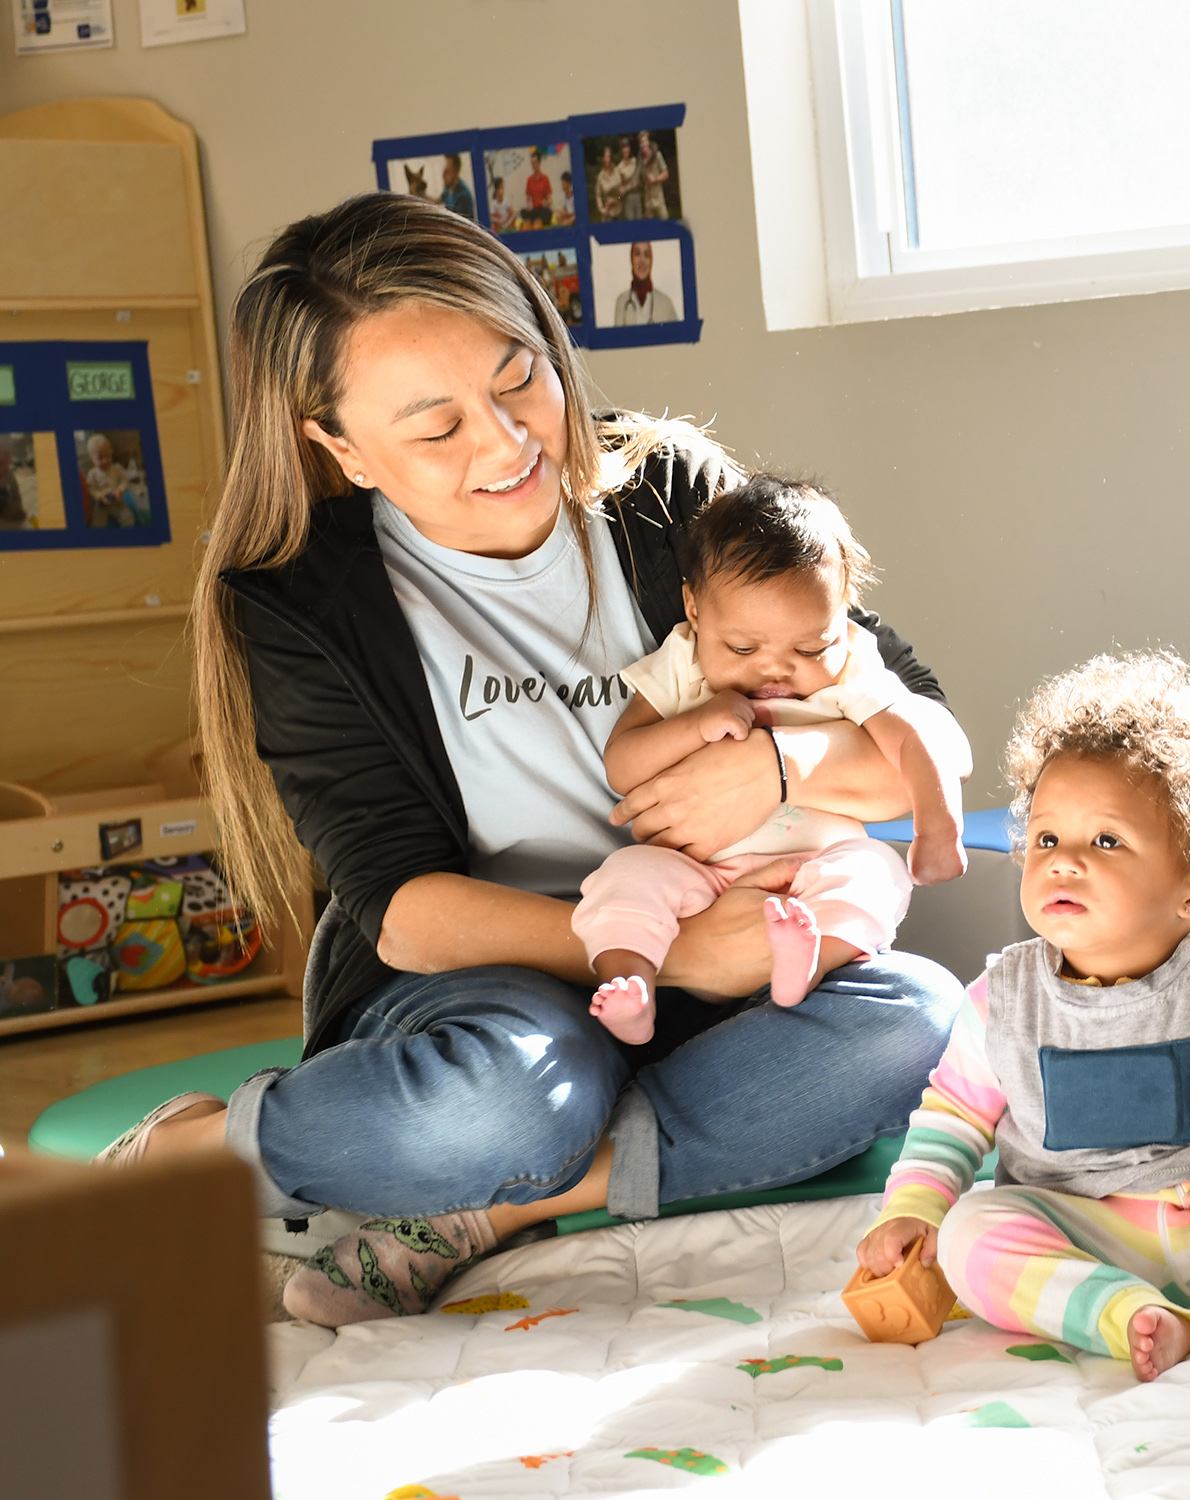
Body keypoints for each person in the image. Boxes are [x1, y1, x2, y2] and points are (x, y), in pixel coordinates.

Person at [93, 192, 968, 1328]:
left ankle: (485, 1214)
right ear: (343, 448)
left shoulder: (670, 498)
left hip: (731, 933)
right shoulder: (308, 607)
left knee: (922, 1019)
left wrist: (785, 775)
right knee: (511, 1101)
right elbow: (403, 913)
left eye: (519, 380)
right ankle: (198, 1152)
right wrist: (670, 952)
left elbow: (924, 731)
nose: (506, 442)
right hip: (490, 984)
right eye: (436, 426)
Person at [857, 652, 1190, 1389]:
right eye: (1048, 840)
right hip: (1076, 1231)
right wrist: (916, 1209)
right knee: (973, 1236)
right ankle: (1125, 1317)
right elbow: (954, 1119)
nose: (1064, 862)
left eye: (1106, 841)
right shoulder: (1002, 998)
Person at [574, 474, 967, 1043]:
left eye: (809, 648)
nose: (776, 669)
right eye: (743, 648)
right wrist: (694, 724)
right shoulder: (684, 660)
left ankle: (808, 962)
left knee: (876, 872)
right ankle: (630, 989)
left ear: (844, 612)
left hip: (815, 868)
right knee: (625, 876)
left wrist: (938, 828)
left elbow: (916, 737)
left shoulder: (853, 663)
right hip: (696, 874)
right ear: (694, 607)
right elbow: (622, 763)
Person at [611, 240, 677, 325]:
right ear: (631, 259)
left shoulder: (666, 303)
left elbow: (680, 337)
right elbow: (617, 338)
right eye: (637, 254)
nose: (642, 261)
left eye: (646, 255)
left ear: (651, 262)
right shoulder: (622, 302)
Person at [80, 433, 132, 527]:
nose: (105, 460)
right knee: (96, 523)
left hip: (117, 501)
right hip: (101, 504)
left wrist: (120, 490)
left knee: (128, 519)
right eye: (100, 457)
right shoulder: (92, 474)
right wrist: (100, 496)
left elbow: (124, 481)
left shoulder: (116, 469)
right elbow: (91, 489)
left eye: (108, 456)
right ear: (92, 459)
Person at [637, 129, 672, 219]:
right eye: (641, 142)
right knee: (649, 228)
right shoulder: (640, 160)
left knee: (665, 221)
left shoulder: (657, 155)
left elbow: (666, 173)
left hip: (658, 197)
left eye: (644, 141)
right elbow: (639, 178)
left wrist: (656, 179)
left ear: (648, 141)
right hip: (647, 199)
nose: (643, 144)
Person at [594, 144, 628, 223]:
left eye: (608, 157)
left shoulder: (617, 171)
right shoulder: (600, 176)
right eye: (605, 157)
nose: (606, 159)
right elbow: (598, 194)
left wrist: (617, 199)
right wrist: (601, 209)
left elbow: (623, 190)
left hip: (620, 211)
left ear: (611, 158)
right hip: (608, 213)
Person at [521, 147, 553, 229]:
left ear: (539, 163)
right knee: (523, 212)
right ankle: (533, 221)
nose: (533, 165)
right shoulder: (529, 180)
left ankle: (537, 221)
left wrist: (547, 203)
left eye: (535, 163)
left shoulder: (545, 178)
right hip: (534, 210)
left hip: (543, 210)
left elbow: (550, 199)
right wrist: (529, 206)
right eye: (532, 163)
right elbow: (528, 199)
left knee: (549, 212)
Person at [0, 442, 29, 529]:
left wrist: (18, 507)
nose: (2, 457)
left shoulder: (9, 475)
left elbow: (15, 492)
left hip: (3, 495)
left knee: (10, 505)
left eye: (6, 454)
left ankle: (8, 512)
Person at [438, 153, 474, 220]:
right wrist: (421, 194)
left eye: (447, 172)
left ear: (456, 173)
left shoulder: (464, 196)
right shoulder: (448, 188)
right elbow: (437, 200)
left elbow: (458, 224)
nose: (443, 175)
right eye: (444, 171)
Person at [617, 137, 644, 221]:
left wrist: (639, 183)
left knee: (640, 222)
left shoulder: (635, 161)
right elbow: (618, 194)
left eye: (627, 147)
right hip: (627, 199)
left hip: (637, 196)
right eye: (623, 147)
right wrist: (620, 192)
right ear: (621, 150)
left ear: (629, 149)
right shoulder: (619, 168)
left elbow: (641, 180)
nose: (626, 150)